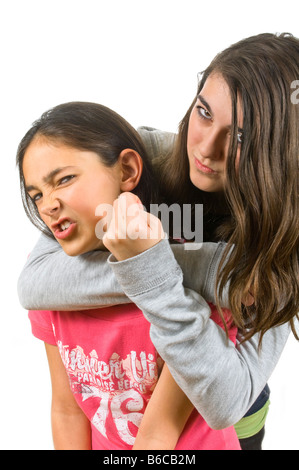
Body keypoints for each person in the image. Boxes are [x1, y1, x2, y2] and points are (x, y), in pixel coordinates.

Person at [17, 32, 298, 449]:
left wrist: (151, 264)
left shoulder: (284, 240)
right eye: (204, 112)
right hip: (119, 399)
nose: (204, 147)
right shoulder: (146, 156)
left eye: (239, 137)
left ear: (280, 150)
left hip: (222, 424)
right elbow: (36, 284)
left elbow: (226, 401)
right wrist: (200, 270)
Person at [17, 101, 241, 450]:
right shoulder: (51, 286)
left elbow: (159, 433)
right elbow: (67, 411)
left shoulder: (178, 282)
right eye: (37, 195)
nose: (47, 204)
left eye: (64, 179)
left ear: (126, 170)